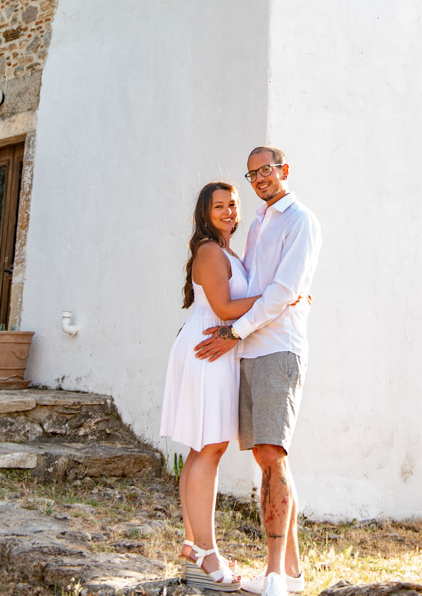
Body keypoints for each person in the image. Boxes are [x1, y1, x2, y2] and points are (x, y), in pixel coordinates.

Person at [195, 147, 321, 596]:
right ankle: (292, 574)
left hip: (278, 349)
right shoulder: (256, 224)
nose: (260, 179)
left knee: (272, 457)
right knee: (268, 460)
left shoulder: (300, 220)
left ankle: (272, 577)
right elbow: (254, 285)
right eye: (252, 175)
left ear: (284, 170)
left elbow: (283, 290)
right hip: (249, 351)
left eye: (266, 170)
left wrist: (233, 331)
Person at [161, 182, 261, 591]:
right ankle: (206, 549)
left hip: (214, 346)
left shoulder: (225, 251)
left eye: (233, 204)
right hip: (210, 349)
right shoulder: (210, 250)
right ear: (205, 212)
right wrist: (278, 297)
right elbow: (223, 308)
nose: (228, 211)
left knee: (204, 447)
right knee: (209, 447)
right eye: (219, 206)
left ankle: (194, 546)